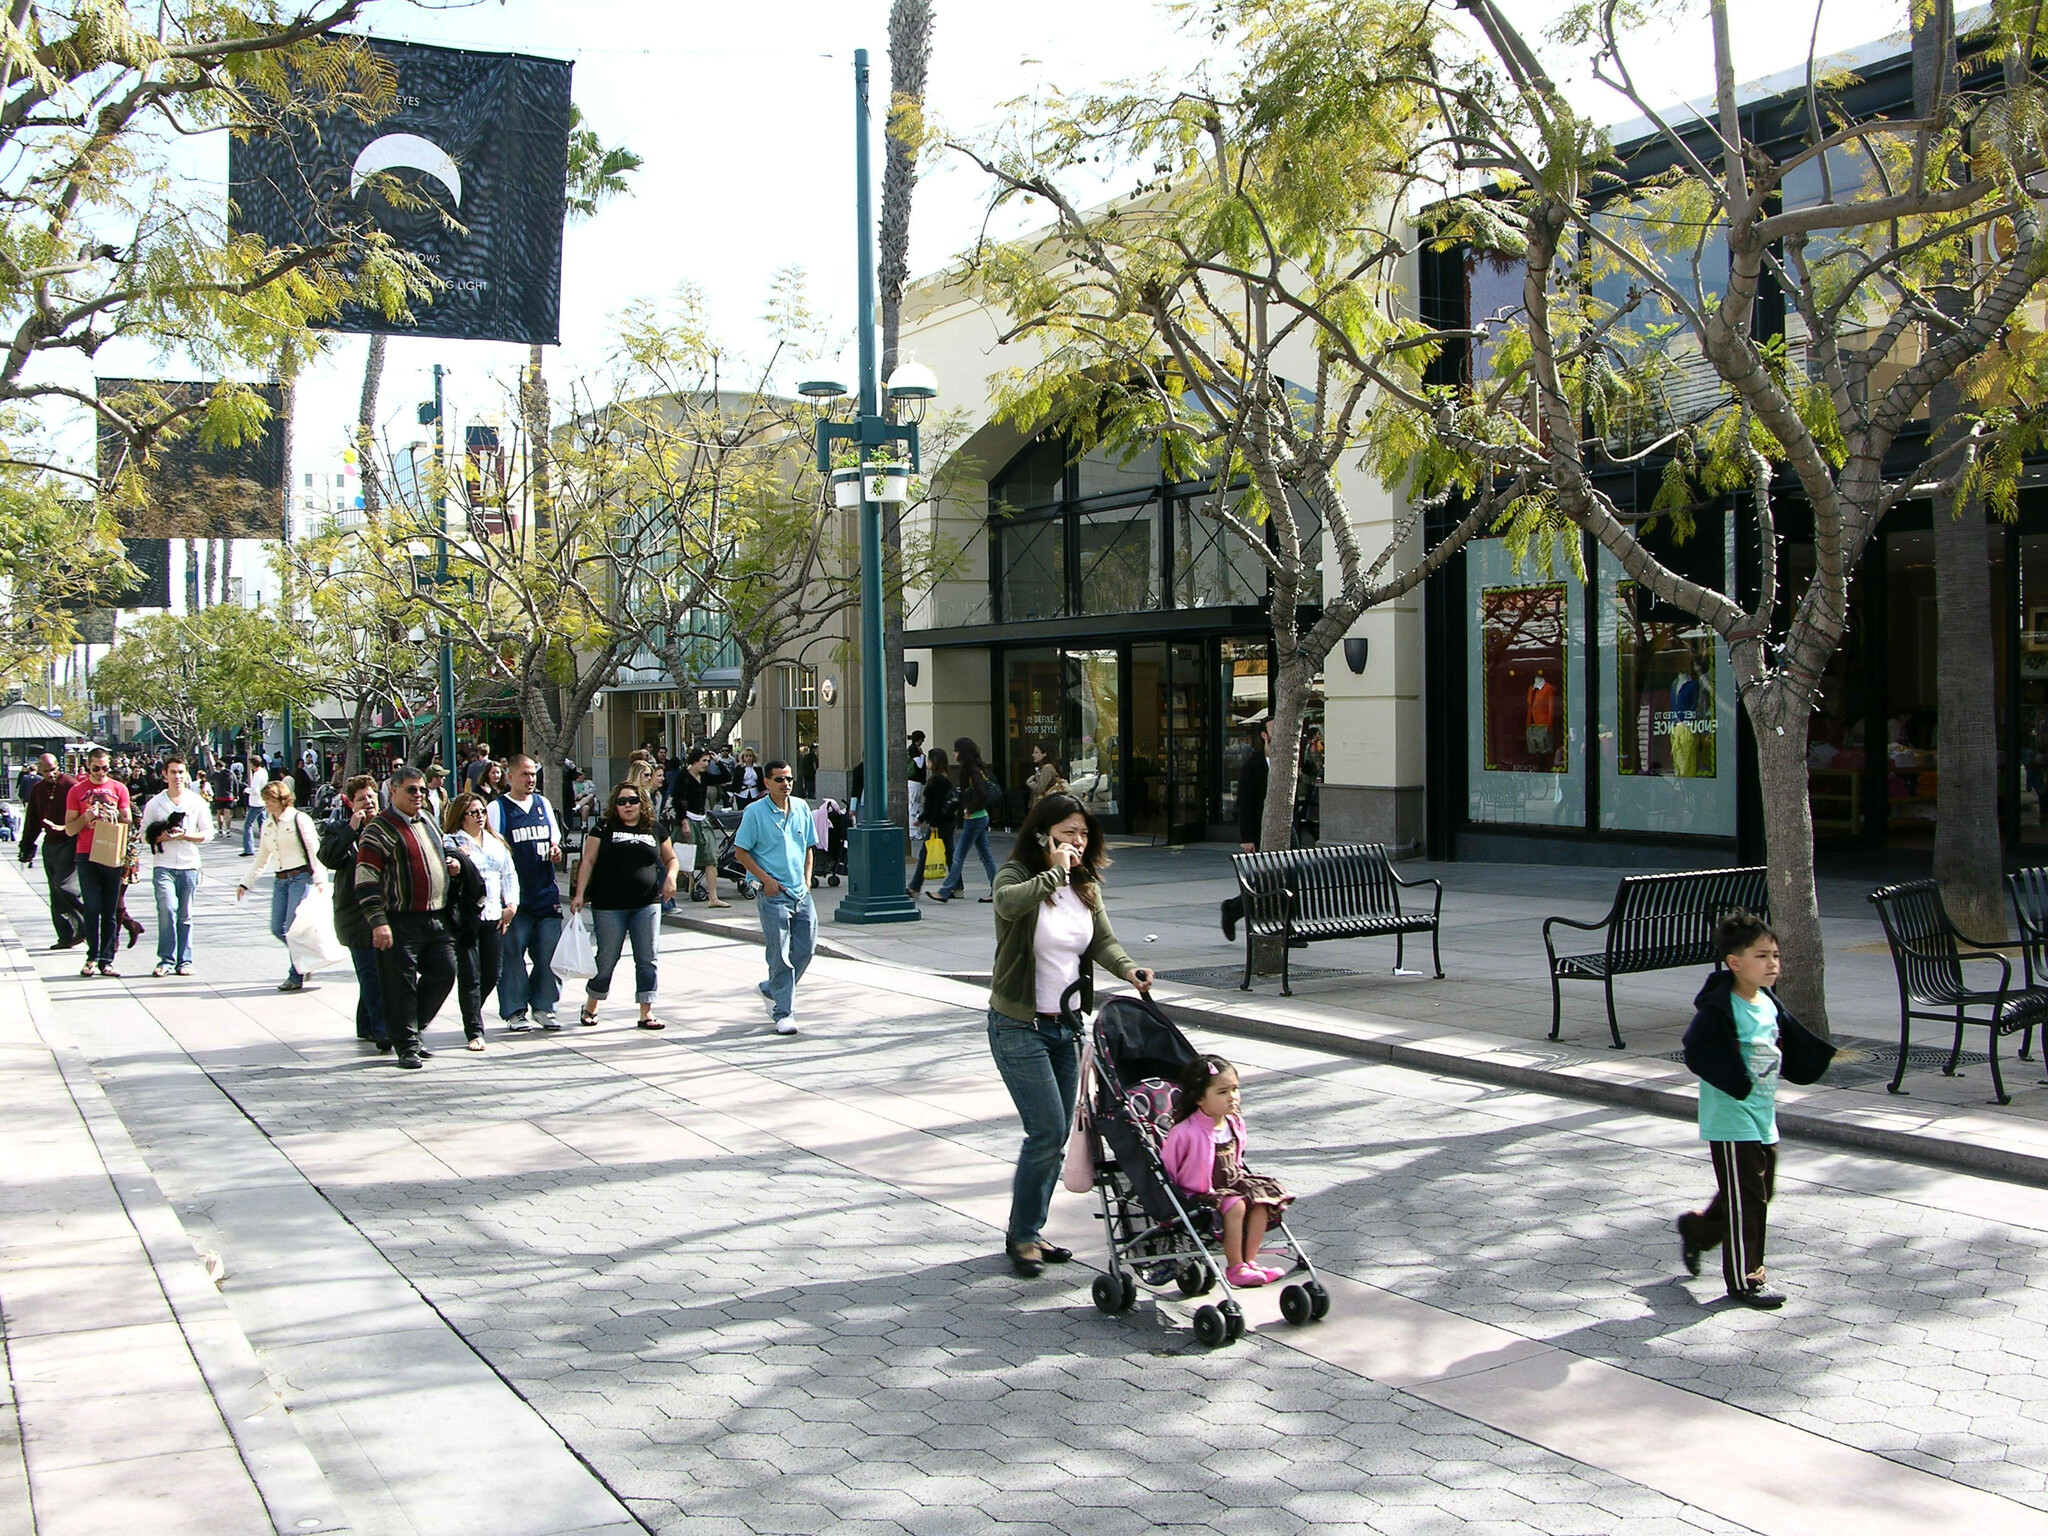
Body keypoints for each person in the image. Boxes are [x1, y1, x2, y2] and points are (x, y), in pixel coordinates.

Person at [988, 791, 1154, 1276]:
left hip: (1067, 1026)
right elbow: (1007, 905)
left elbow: (1101, 940)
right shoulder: (1018, 877)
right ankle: (1022, 1237)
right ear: (1043, 836)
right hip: (1018, 1024)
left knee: (1057, 1133)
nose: (1077, 843)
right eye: (1067, 835)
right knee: (1045, 1131)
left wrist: (1129, 971)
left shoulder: (1085, 886)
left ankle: (1029, 1231)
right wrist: (1054, 874)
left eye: (1083, 834)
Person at [1677, 911, 1835, 1310]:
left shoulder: (1766, 1001)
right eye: (1762, 956)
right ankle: (1747, 1280)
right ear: (1735, 963)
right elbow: (1696, 1049)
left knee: (1757, 1192)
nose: (1773, 964)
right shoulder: (1720, 1007)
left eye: (1776, 956)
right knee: (1748, 1198)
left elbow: (1790, 1040)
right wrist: (1736, 1083)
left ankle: (1698, 1230)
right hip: (1731, 1116)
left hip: (1764, 1114)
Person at [353, 766, 461, 1068]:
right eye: (412, 790)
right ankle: (407, 1045)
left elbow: (439, 852)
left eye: (422, 790)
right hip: (398, 918)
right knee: (400, 984)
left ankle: (408, 1028)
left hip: (435, 916)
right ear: (394, 791)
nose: (418, 795)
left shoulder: (427, 820)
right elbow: (365, 878)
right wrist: (378, 921)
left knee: (444, 972)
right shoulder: (379, 828)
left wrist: (452, 865)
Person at [1161, 1053, 1295, 1288]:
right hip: (1201, 1190)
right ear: (1200, 1099)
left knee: (1263, 1198)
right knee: (1236, 1204)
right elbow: (1170, 1165)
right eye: (1223, 1092)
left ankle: (1250, 1261)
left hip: (1232, 1180)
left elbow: (1238, 1157)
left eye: (1235, 1089)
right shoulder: (1185, 1131)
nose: (1232, 1097)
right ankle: (1235, 1267)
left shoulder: (1234, 1122)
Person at [569, 781, 681, 1031]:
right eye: (622, 802)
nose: (628, 806)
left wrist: (671, 877)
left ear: (642, 803)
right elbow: (588, 860)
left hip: (647, 903)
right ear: (614, 805)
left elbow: (671, 858)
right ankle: (592, 1004)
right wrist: (578, 894)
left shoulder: (654, 828)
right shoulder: (604, 827)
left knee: (647, 958)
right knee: (607, 957)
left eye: (632, 800)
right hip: (608, 905)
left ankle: (646, 1012)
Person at [733, 759, 817, 1036]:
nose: (786, 784)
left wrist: (806, 881)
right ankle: (784, 1012)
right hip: (772, 894)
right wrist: (765, 880)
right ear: (766, 782)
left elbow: (808, 848)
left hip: (800, 892)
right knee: (780, 954)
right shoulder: (755, 812)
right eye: (779, 779)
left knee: (806, 949)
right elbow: (741, 853)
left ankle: (772, 988)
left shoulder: (802, 808)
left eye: (789, 778)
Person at [486, 754, 565, 1032]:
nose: (530, 779)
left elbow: (554, 841)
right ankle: (515, 1010)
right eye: (524, 774)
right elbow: (492, 850)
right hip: (514, 899)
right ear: (510, 776)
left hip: (545, 895)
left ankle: (545, 1006)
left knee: (548, 955)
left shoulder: (543, 804)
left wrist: (556, 852)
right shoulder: (498, 808)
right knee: (512, 957)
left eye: (533, 774)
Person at [237, 777, 325, 993]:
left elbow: (314, 851)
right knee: (278, 928)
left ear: (282, 799)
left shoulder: (298, 819)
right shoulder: (268, 824)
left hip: (300, 877)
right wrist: (246, 883)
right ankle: (305, 958)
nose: (266, 803)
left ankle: (296, 974)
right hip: (280, 880)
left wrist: (320, 879)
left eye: (270, 799)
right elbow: (261, 858)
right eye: (265, 799)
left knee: (292, 928)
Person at [442, 792, 515, 1051]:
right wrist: (455, 862)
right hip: (467, 917)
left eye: (482, 812)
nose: (480, 817)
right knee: (470, 975)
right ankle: (474, 1029)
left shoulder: (496, 842)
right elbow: (446, 868)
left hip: (494, 915)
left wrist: (511, 904)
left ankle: (472, 1010)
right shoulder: (451, 841)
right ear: (461, 817)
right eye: (474, 813)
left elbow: (508, 874)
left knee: (492, 972)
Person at [320, 776, 389, 1050]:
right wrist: (351, 829)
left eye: (371, 797)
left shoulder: (386, 827)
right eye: (361, 799)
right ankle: (383, 1028)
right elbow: (329, 858)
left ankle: (367, 1023)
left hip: (383, 909)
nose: (368, 802)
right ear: (350, 803)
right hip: (354, 912)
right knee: (370, 971)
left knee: (378, 970)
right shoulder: (339, 828)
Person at [140, 754, 214, 977]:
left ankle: (185, 960)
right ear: (164, 775)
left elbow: (208, 833)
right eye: (172, 772)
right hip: (163, 865)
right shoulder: (155, 803)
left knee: (185, 914)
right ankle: (166, 959)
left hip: (189, 866)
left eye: (181, 772)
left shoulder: (195, 801)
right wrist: (163, 836)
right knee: (167, 909)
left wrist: (187, 836)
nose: (177, 777)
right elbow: (144, 835)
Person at [63, 750, 132, 977]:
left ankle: (107, 958)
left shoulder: (118, 788)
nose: (101, 773)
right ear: (88, 767)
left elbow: (128, 821)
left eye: (105, 768)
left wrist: (115, 814)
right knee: (91, 906)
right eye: (96, 769)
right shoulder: (77, 791)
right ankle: (92, 955)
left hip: (112, 852)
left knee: (110, 910)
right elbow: (69, 828)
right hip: (87, 853)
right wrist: (87, 817)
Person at [19, 752, 83, 951]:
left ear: (58, 767)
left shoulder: (71, 785)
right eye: (45, 771)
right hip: (51, 843)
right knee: (54, 891)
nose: (50, 775)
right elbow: (32, 820)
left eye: (53, 770)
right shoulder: (38, 789)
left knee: (64, 886)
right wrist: (26, 846)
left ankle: (86, 924)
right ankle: (65, 936)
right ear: (39, 770)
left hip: (70, 840)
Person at [1220, 722, 1271, 943]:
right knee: (1264, 881)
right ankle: (1233, 908)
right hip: (1260, 830)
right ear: (1264, 735)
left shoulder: (1289, 762)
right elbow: (1245, 805)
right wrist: (1247, 838)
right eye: (1274, 729)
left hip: (1288, 828)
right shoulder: (1252, 766)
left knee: (1288, 879)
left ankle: (1288, 929)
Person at [931, 737, 999, 903]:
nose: (953, 753)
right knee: (985, 855)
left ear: (961, 752)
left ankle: (945, 891)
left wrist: (969, 809)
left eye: (955, 750)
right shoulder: (974, 768)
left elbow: (981, 793)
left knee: (959, 855)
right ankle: (997, 889)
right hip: (980, 817)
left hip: (975, 818)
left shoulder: (970, 770)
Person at [673, 746, 729, 906]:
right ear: (694, 760)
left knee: (711, 858)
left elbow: (724, 778)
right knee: (684, 857)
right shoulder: (683, 776)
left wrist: (718, 762)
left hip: (702, 819)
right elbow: (678, 800)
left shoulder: (704, 776)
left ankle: (713, 897)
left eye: (708, 761)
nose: (706, 764)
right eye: (703, 761)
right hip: (687, 819)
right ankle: (678, 889)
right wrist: (683, 821)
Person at [906, 745, 955, 897]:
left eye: (929, 759)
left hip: (939, 823)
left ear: (934, 762)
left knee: (925, 853)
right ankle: (957, 885)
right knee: (949, 854)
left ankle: (915, 887)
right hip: (946, 821)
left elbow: (937, 804)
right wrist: (921, 819)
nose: (926, 761)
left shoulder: (938, 780)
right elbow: (932, 805)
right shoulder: (943, 778)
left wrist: (932, 824)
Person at [241, 755, 269, 856]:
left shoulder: (257, 775)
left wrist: (246, 790)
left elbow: (255, 791)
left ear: (252, 764)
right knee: (263, 825)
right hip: (263, 801)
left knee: (248, 825)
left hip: (256, 803)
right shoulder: (264, 772)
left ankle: (248, 848)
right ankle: (266, 846)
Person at [1024, 743, 1067, 807]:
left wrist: (1029, 782)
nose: (1033, 755)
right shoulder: (1043, 767)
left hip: (1044, 805)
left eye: (1036, 752)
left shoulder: (1047, 768)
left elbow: (1040, 789)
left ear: (1044, 754)